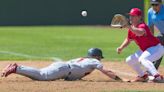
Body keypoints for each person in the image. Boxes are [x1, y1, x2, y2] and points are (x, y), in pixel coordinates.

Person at [1, 48, 123, 81]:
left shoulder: (82, 59)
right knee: (41, 76)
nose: (100, 60)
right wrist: (118, 79)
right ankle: (17, 68)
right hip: (64, 69)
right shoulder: (94, 61)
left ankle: (17, 66)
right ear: (96, 56)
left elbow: (77, 72)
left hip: (62, 67)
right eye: (99, 58)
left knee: (39, 73)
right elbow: (106, 71)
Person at [116, 8, 164, 82]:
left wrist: (129, 26)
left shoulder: (142, 26)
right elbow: (128, 39)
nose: (131, 17)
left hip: (156, 48)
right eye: (130, 16)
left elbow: (140, 32)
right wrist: (121, 47)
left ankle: (158, 77)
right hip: (146, 50)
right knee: (129, 60)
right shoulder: (131, 29)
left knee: (143, 59)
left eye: (133, 16)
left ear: (139, 17)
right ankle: (143, 76)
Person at [148, 0, 164, 70]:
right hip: (162, 33)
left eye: (156, 4)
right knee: (157, 49)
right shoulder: (150, 12)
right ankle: (152, 70)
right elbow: (151, 26)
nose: (154, 6)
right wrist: (152, 39)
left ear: (161, 3)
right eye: (152, 4)